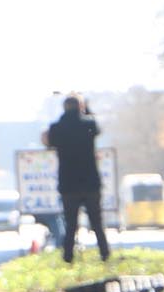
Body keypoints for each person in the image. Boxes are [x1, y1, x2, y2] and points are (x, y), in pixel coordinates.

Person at [41, 95, 111, 263]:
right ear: (80, 107)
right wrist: (86, 108)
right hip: (90, 182)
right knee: (96, 222)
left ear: (64, 108)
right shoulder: (88, 124)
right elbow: (97, 129)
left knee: (70, 224)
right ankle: (104, 254)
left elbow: (48, 142)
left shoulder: (57, 128)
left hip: (68, 184)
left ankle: (68, 257)